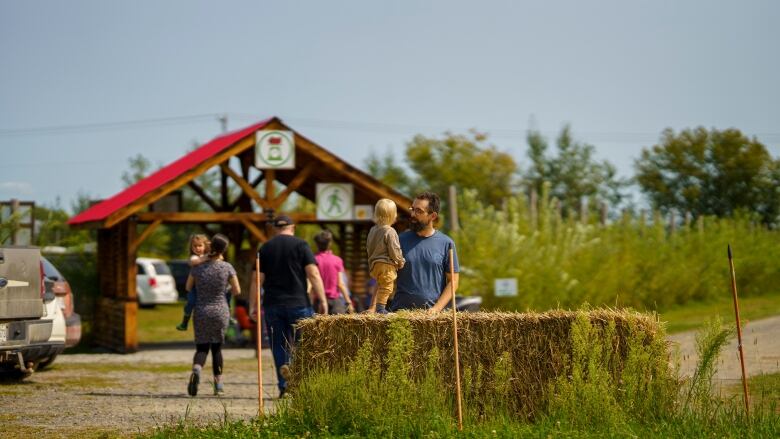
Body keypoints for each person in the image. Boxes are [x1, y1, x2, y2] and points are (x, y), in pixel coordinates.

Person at [250, 215, 327, 398]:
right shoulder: (301, 245)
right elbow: (313, 273)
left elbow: (256, 280)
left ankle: (284, 386)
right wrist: (322, 299)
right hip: (299, 303)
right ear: (292, 227)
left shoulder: (265, 248)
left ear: (275, 229)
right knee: (305, 344)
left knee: (279, 345)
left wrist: (253, 305)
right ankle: (299, 380)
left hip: (273, 304)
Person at [186, 233, 241, 397]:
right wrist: (225, 291)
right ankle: (218, 385)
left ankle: (197, 368)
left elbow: (188, 287)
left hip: (201, 310)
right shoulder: (227, 267)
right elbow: (237, 290)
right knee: (217, 348)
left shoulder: (197, 268)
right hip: (220, 311)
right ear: (223, 250)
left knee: (202, 347)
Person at [388, 192, 459, 313]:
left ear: (433, 216)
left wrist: (436, 309)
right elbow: (386, 274)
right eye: (413, 209)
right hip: (401, 314)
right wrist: (375, 306)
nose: (413, 214)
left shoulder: (446, 243)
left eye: (419, 211)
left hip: (433, 317)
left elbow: (453, 281)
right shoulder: (399, 240)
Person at [365, 198, 405, 314]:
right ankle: (381, 309)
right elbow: (394, 249)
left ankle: (378, 307)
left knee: (380, 284)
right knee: (387, 286)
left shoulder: (372, 230)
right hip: (385, 264)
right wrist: (400, 261)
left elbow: (368, 247)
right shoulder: (390, 231)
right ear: (393, 215)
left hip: (374, 265)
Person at [313, 230, 354, 315]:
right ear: (330, 243)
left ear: (316, 244)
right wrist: (348, 302)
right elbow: (340, 284)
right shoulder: (337, 260)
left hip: (319, 301)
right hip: (336, 302)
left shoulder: (313, 260)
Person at [176, 234, 210, 331]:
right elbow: (195, 262)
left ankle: (228, 315)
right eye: (195, 246)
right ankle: (185, 322)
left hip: (208, 285)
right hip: (195, 286)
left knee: (224, 294)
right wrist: (208, 257)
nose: (197, 248)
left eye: (200, 245)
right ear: (191, 247)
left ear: (205, 246)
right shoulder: (193, 257)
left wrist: (212, 249)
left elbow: (221, 258)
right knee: (191, 302)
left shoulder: (210, 255)